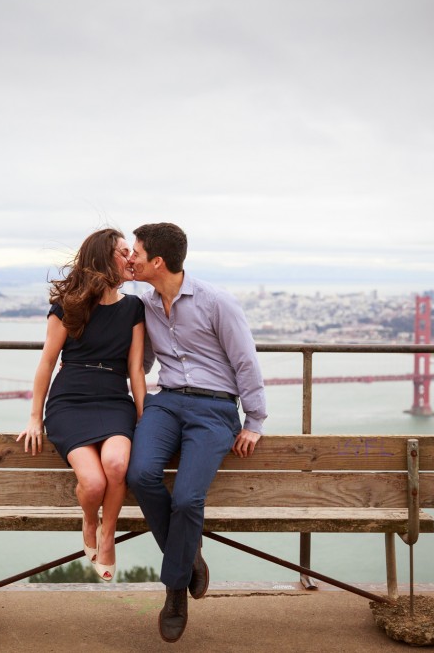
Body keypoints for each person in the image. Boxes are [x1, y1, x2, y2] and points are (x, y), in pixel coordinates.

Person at [125, 222, 267, 643]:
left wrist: (254, 421)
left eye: (136, 252)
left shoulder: (216, 301)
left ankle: (175, 592)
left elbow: (245, 360)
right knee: (140, 475)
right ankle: (188, 558)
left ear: (158, 262)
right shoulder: (145, 306)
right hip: (166, 403)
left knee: (188, 499)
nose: (130, 258)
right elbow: (140, 362)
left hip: (214, 408)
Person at [17, 228, 146, 582]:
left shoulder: (134, 308)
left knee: (116, 464)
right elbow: (47, 362)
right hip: (70, 402)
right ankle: (90, 521)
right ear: (105, 257)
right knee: (92, 483)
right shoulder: (68, 305)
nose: (131, 258)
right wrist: (34, 418)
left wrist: (143, 416)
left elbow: (136, 369)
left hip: (114, 399)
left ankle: (108, 534)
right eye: (124, 252)